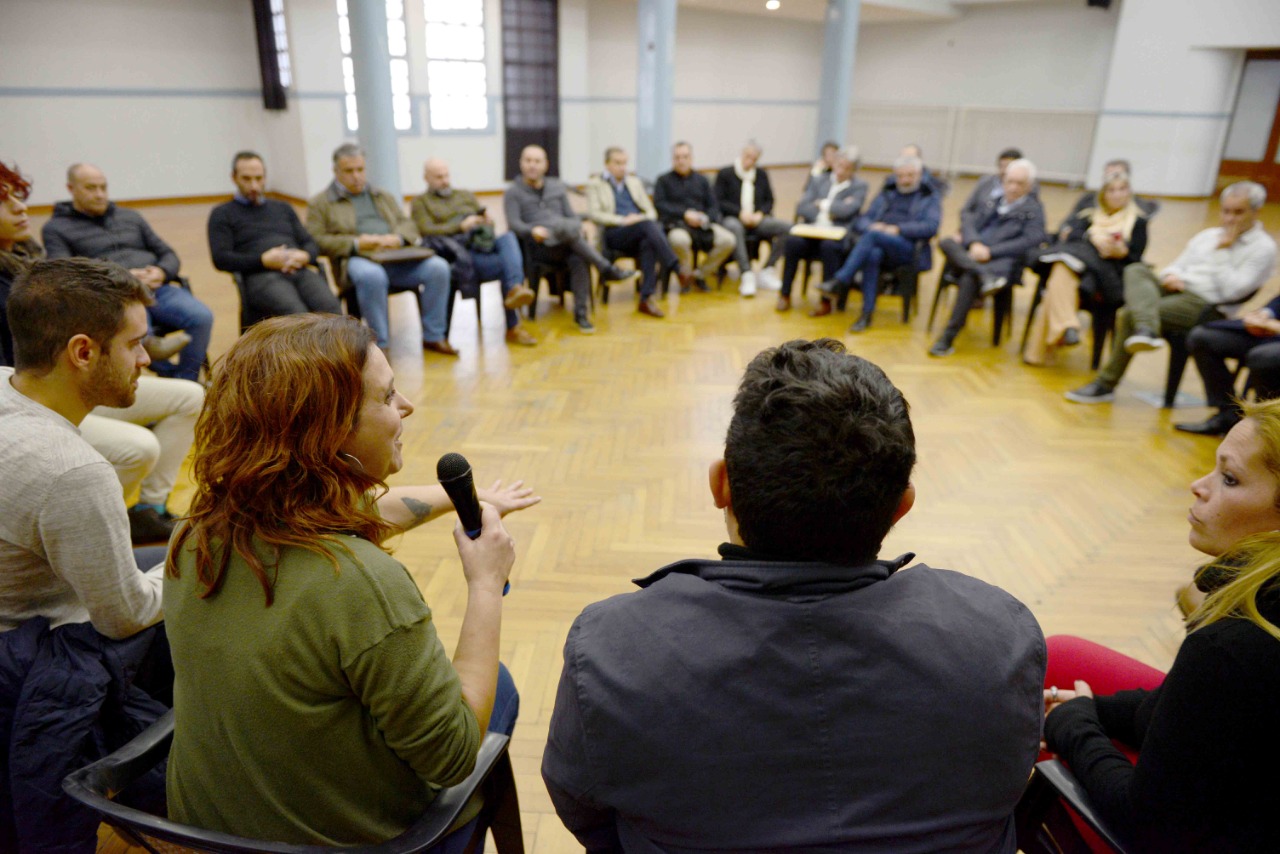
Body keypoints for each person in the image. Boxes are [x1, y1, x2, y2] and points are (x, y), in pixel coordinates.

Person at [542, 339, 1046, 852]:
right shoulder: (999, 636)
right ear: (902, 507)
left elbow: (584, 810)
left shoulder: (611, 651)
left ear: (721, 485)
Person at [164, 313, 539, 843]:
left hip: (207, 830)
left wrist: (471, 500)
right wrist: (485, 583)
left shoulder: (197, 531)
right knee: (497, 684)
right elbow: (452, 756)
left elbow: (362, 510)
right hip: (345, 841)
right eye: (387, 398)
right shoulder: (360, 582)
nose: (406, 406)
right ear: (327, 431)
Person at [1042, 397, 1280, 851]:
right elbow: (1204, 707)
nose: (1198, 485)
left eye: (1229, 479)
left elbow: (1146, 823)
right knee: (1060, 658)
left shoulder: (1233, 648)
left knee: (1022, 739)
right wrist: (1096, 707)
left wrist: (1074, 725)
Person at [2, 163, 201, 544]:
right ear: (72, 189)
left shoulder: (28, 258)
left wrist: (155, 274)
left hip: (78, 369)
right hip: (41, 396)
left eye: (18, 197)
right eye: (4, 200)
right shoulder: (50, 243)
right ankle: (92, 530)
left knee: (190, 396)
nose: (21, 208)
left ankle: (149, 511)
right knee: (139, 448)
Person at [1066, 181, 1277, 404]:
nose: (1230, 219)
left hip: (1205, 304)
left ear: (1256, 211)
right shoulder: (1208, 235)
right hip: (1176, 289)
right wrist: (1171, 276)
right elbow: (1175, 265)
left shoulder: (1262, 248)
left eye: (1238, 212)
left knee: (1129, 314)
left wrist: (1223, 252)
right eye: (1226, 211)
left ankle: (1106, 382)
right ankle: (1146, 327)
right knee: (1136, 269)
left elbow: (1233, 290)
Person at [42, 163, 213, 381]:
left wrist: (161, 272)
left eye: (103, 187)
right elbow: (64, 273)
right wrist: (120, 278)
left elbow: (168, 253)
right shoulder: (56, 228)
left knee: (201, 316)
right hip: (114, 297)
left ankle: (187, 381)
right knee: (136, 330)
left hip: (155, 289)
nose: (100, 194)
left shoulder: (130, 217)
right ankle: (164, 370)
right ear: (71, 188)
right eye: (91, 188)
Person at [306, 143, 458, 356]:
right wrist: (358, 243)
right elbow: (315, 240)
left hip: (395, 257)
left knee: (438, 267)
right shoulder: (320, 203)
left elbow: (407, 224)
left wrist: (397, 238)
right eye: (349, 171)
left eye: (360, 169)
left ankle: (434, 336)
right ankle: (381, 344)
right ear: (336, 172)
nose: (356, 176)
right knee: (372, 276)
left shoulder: (382, 196)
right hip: (357, 259)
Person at [503, 145, 636, 335]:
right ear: (521, 163)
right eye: (528, 160)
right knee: (572, 236)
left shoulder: (556, 187)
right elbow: (514, 224)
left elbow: (572, 216)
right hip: (539, 246)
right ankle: (606, 268)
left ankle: (581, 315)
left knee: (577, 254)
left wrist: (576, 226)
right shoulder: (513, 192)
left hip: (565, 241)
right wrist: (532, 229)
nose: (532, 165)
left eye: (537, 161)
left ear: (546, 165)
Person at [1022, 172, 1149, 365]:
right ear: (1103, 194)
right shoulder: (1088, 216)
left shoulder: (1138, 222)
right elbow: (1068, 236)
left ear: (1129, 193)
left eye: (1122, 189)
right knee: (1063, 270)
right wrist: (1092, 238)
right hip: (1080, 274)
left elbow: (1136, 259)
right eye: (1112, 190)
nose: (1117, 194)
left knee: (1059, 275)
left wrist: (1121, 252)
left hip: (1104, 279)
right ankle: (1065, 328)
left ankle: (1045, 347)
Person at [412, 157, 538, 347]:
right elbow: (425, 231)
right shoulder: (421, 202)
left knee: (508, 238)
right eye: (438, 177)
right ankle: (514, 324)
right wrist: (460, 226)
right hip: (458, 253)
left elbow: (489, 225)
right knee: (507, 266)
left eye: (446, 175)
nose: (444, 180)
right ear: (426, 178)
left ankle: (515, 289)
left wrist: (486, 221)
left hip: (480, 244)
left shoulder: (464, 195)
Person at [929, 158, 1045, 357]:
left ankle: (947, 337)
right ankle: (982, 274)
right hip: (974, 254)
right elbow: (968, 220)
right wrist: (974, 243)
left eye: (1020, 183)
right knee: (947, 242)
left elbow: (1031, 240)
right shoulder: (994, 201)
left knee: (968, 278)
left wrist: (991, 252)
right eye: (1010, 181)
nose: (1013, 187)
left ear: (1030, 186)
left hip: (999, 263)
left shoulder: (1033, 210)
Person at [813, 155, 941, 332]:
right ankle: (866, 315)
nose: (905, 180)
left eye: (910, 175)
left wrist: (898, 229)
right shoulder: (888, 192)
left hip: (908, 248)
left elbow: (931, 227)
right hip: (880, 244)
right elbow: (862, 220)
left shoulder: (929, 196)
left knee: (873, 237)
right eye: (901, 176)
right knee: (873, 254)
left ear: (919, 174)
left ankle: (841, 280)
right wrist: (873, 225)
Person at [207, 151, 341, 320]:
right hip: (260, 275)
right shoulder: (222, 213)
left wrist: (305, 255)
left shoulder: (282, 207)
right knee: (297, 315)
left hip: (297, 269)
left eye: (259, 178)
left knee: (331, 309)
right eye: (246, 179)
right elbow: (221, 258)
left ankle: (335, 347)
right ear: (234, 178)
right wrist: (262, 260)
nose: (254, 185)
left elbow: (309, 242)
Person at [585, 146, 687, 319]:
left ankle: (645, 298)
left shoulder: (634, 182)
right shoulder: (596, 184)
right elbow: (594, 214)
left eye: (625, 163)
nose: (622, 167)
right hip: (614, 233)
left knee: (648, 240)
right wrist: (623, 220)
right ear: (607, 164)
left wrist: (637, 218)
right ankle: (676, 266)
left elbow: (651, 212)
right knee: (648, 227)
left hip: (638, 230)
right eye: (617, 163)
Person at [775, 144, 868, 313]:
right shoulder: (819, 180)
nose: (841, 171)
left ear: (853, 170)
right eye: (839, 165)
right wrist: (834, 208)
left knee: (829, 247)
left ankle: (826, 301)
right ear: (834, 164)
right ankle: (785, 294)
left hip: (837, 236)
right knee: (793, 242)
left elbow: (848, 211)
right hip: (811, 232)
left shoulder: (859, 186)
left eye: (847, 168)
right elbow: (803, 207)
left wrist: (822, 204)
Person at [1174, 294, 1280, 436]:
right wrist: (1263, 315)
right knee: (1202, 337)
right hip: (1269, 333)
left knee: (1263, 358)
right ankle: (1228, 414)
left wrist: (1275, 326)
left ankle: (1267, 427)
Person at [654, 141, 737, 291]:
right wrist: (685, 214)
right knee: (680, 240)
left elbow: (714, 206)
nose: (681, 161)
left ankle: (699, 275)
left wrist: (703, 218)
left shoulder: (702, 180)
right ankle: (684, 276)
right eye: (677, 157)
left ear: (691, 158)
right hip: (676, 224)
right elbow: (660, 205)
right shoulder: (663, 180)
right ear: (672, 160)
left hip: (702, 225)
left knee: (728, 240)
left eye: (685, 157)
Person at [713, 141, 793, 296]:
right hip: (733, 218)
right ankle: (746, 273)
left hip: (756, 219)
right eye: (747, 156)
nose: (749, 160)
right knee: (735, 228)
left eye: (754, 158)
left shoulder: (761, 175)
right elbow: (718, 201)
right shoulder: (726, 174)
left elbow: (769, 200)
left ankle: (767, 269)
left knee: (788, 228)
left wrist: (760, 214)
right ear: (742, 154)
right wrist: (739, 213)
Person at [952, 148, 1023, 240]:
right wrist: (966, 232)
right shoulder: (985, 182)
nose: (1004, 171)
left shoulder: (1027, 190)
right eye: (1002, 166)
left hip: (1002, 237)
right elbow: (967, 210)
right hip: (976, 229)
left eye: (1008, 167)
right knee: (949, 243)